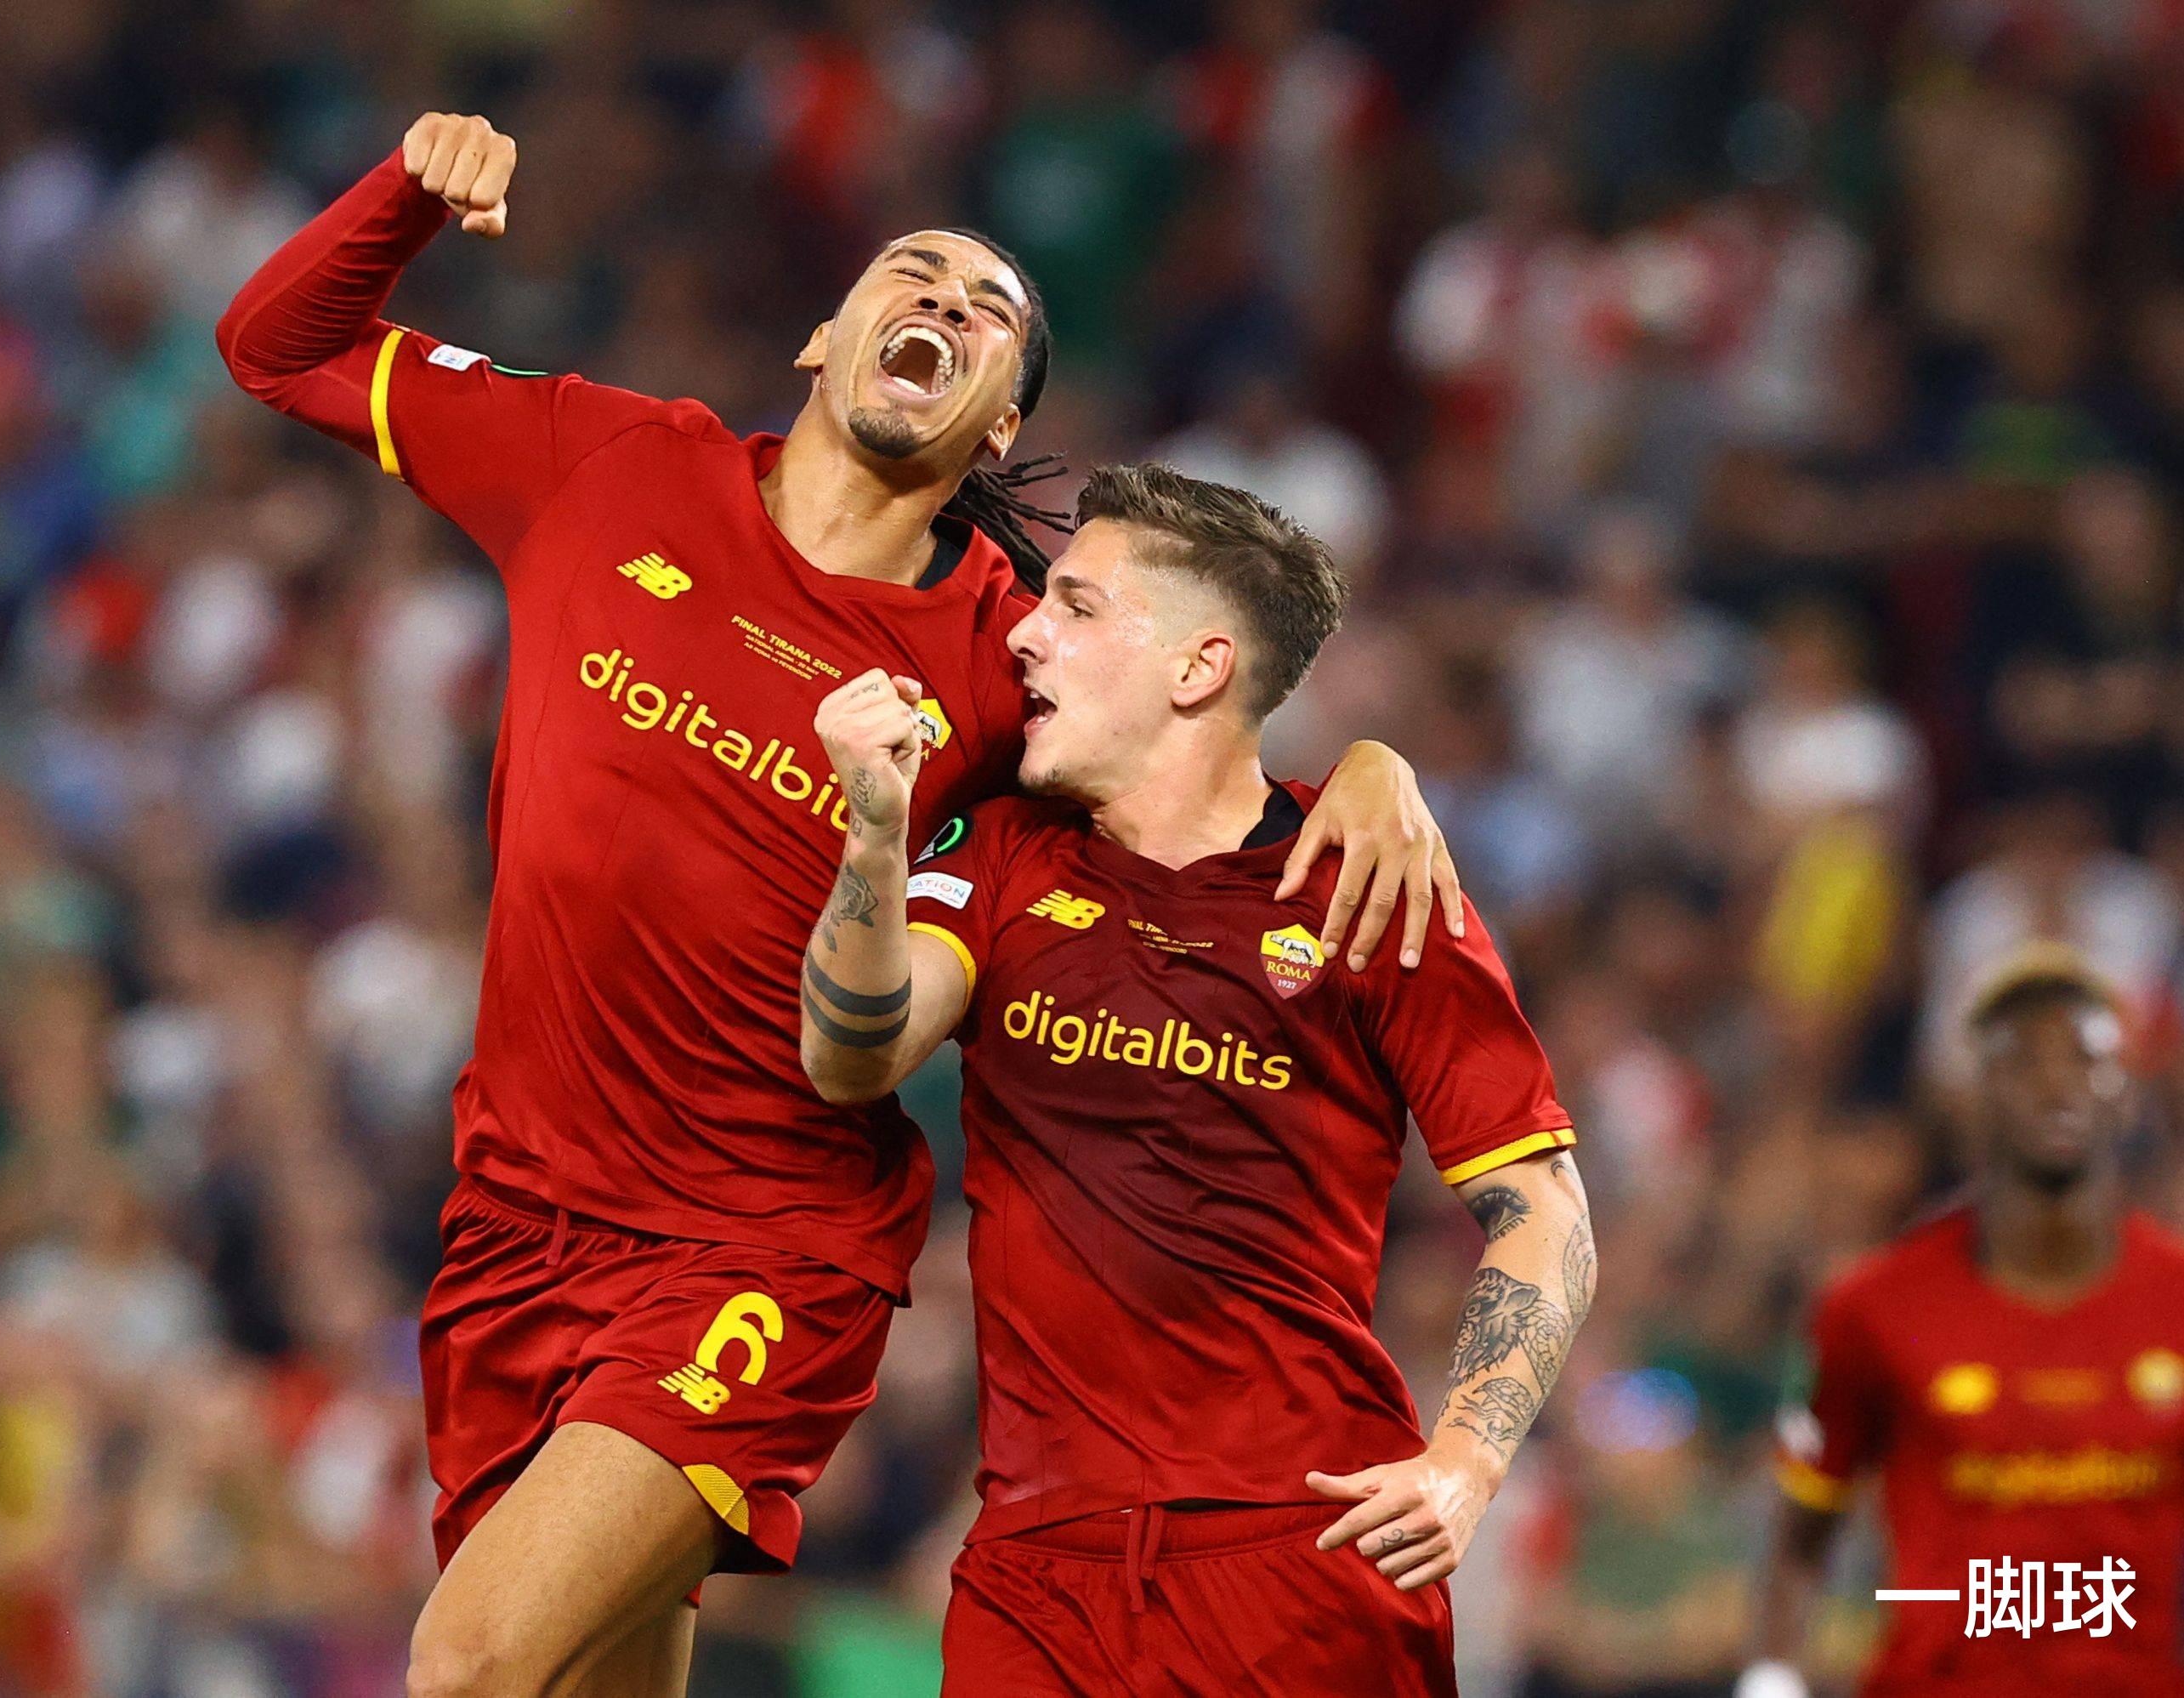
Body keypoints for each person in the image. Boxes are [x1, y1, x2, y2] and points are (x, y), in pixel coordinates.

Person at [216, 113, 1461, 1698]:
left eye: (989, 308)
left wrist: (1368, 767)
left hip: (762, 1240)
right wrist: (404, 192)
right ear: (824, 336)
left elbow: (1201, 771)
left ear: (1001, 424)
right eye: (912, 273)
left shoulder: (1008, 656)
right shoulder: (608, 464)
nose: (944, 300)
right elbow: (275, 347)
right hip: (514, 1216)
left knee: (469, 1662)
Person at [800, 463, 1595, 1695]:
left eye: (1076, 605)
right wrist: (872, 837)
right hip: (1036, 1572)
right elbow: (854, 1053)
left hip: (1301, 1556)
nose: (1026, 633)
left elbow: (1543, 1207)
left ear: (1198, 667)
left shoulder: (1365, 884)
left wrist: (1467, 1458)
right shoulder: (1003, 851)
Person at [1740, 944, 2184, 1698]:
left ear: (2126, 1095)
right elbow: (1801, 1531)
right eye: (2023, 1061)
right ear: (1975, 1092)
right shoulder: (1872, 1307)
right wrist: (1769, 1679)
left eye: (2085, 1060)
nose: (2056, 1085)